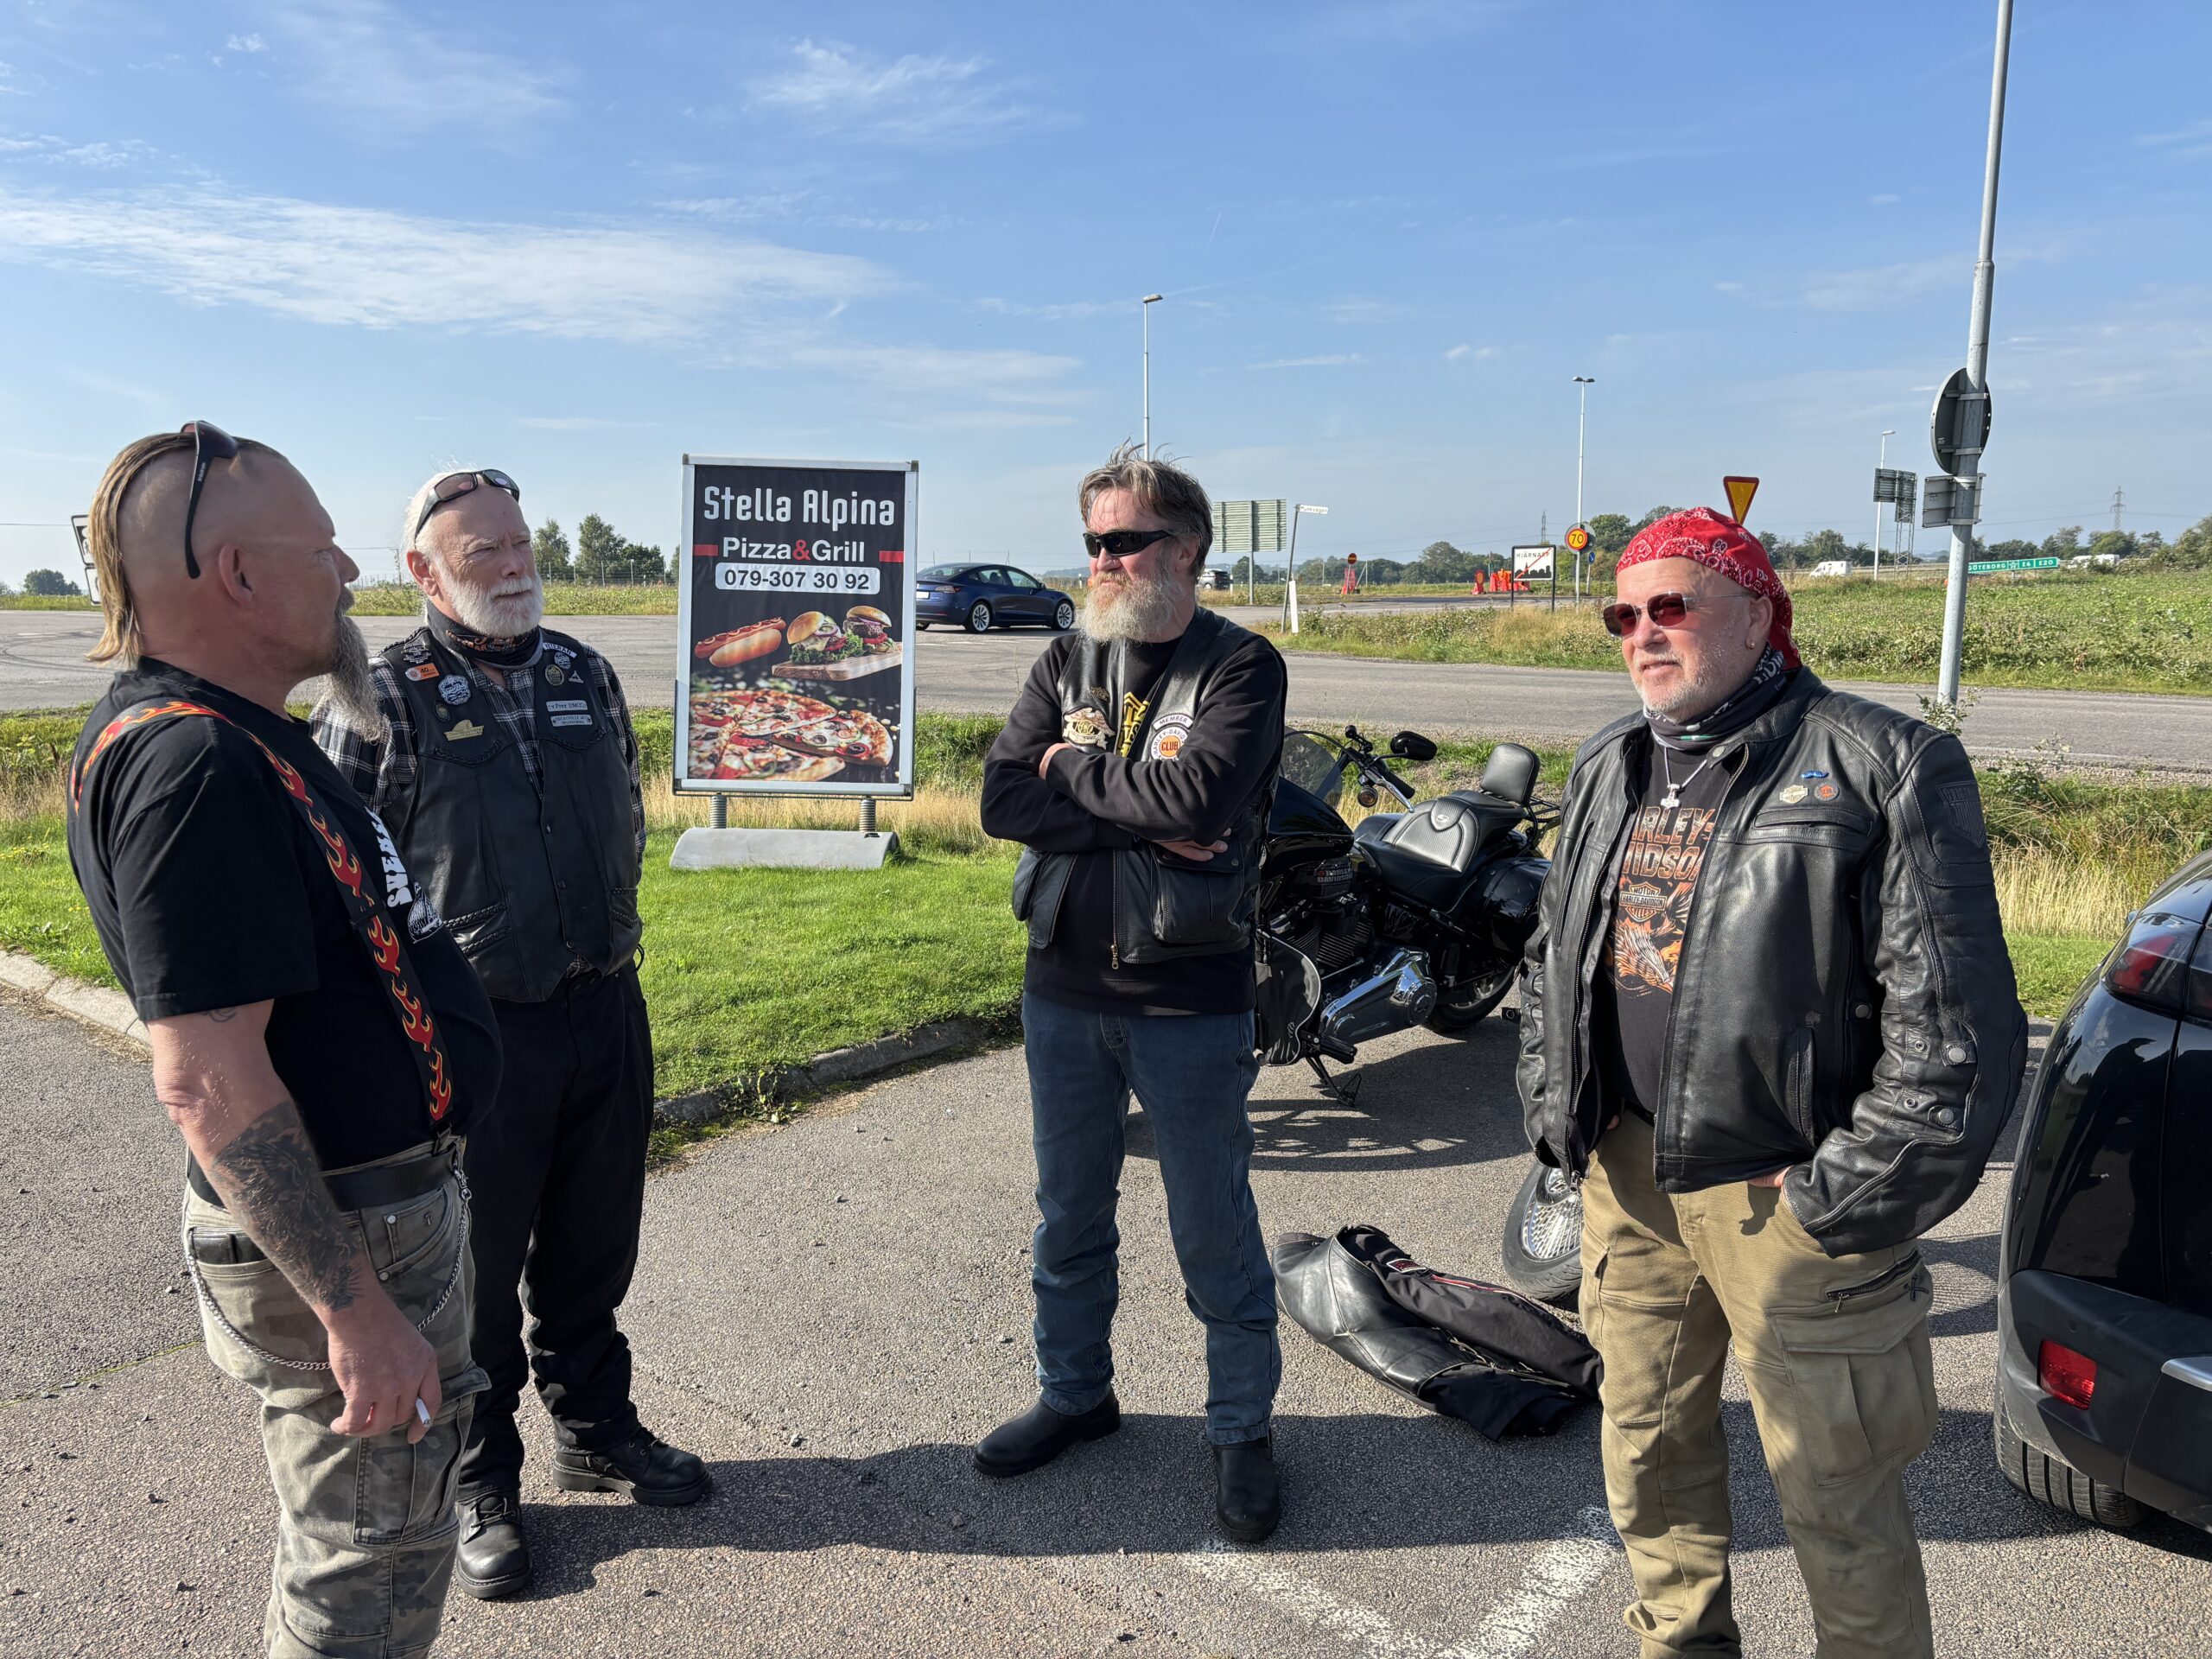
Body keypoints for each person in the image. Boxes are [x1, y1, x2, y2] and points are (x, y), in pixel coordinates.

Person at [1517, 507, 2027, 1658]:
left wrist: (1838, 1197)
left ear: (1759, 615)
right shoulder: (1609, 761)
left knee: (1837, 1501)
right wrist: (1557, 1104)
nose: (1643, 633)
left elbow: (1957, 1033)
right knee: (1646, 1452)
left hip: (1787, 1196)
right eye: (1621, 616)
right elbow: (1553, 950)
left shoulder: (1880, 763)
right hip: (1629, 1174)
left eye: (1672, 606)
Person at [65, 425, 504, 1657]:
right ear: (240, 576)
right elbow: (207, 1079)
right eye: (322, 549)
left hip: (366, 1214)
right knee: (365, 1567)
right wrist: (355, 1312)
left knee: (370, 1541)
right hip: (350, 1233)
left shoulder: (235, 733)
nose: (350, 571)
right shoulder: (194, 764)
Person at [313, 467, 706, 1603]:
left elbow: (626, 818)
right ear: (424, 572)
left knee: (595, 1244)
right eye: (483, 550)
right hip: (475, 1038)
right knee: (473, 1279)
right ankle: (481, 1480)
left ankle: (596, 1431)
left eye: (520, 542)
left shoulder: (585, 671)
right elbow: (336, 887)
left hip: (603, 1006)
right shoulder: (377, 697)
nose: (515, 563)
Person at [976, 444, 1289, 1542]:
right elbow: (1001, 801)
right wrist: (1134, 810)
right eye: (1093, 542)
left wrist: (1071, 772)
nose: (1104, 560)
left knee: (1212, 1226)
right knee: (1068, 1217)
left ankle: (1241, 1427)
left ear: (1188, 549)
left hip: (1187, 999)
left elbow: (1200, 798)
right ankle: (1076, 1396)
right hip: (1061, 991)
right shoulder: (1067, 660)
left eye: (1126, 541)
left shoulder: (1241, 668)